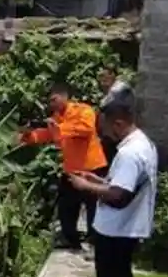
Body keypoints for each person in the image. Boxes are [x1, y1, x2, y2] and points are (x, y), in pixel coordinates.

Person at [66, 98, 158, 277]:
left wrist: (85, 186)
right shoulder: (143, 144)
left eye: (104, 128)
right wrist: (97, 181)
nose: (102, 134)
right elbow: (122, 186)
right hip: (128, 226)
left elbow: (119, 197)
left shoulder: (129, 153)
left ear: (117, 124)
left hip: (118, 227)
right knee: (121, 275)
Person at [21, 82, 108, 250]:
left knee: (93, 207)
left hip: (92, 167)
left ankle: (94, 242)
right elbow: (47, 134)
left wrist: (59, 128)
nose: (52, 104)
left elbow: (86, 129)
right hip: (71, 169)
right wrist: (28, 136)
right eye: (50, 101)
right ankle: (70, 239)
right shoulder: (56, 117)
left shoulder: (84, 110)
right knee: (66, 206)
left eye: (54, 99)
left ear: (64, 96)